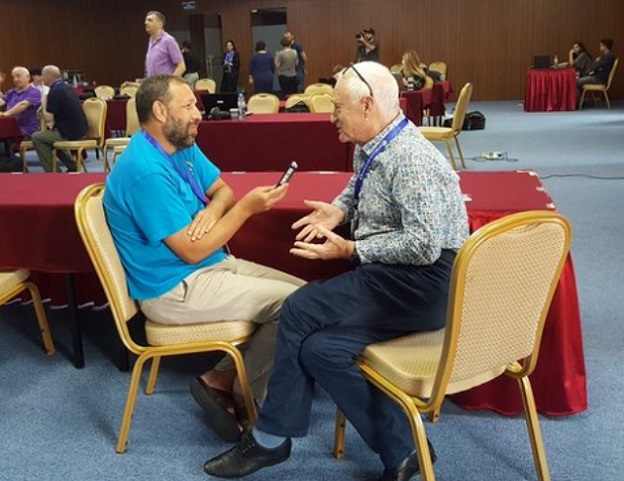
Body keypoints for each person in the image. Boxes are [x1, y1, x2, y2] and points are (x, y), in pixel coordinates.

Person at [203, 61, 469, 481]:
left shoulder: (411, 159)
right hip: (396, 274)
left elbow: (422, 246)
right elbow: (359, 184)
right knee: (319, 350)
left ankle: (270, 440)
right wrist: (340, 210)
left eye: (338, 108)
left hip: (423, 281)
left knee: (299, 307)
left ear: (367, 105)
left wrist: (351, 248)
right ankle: (404, 449)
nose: (331, 118)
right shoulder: (376, 140)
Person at [103, 74, 305, 442]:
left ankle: (220, 378)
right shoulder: (144, 170)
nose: (199, 113)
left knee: (310, 298)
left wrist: (213, 211)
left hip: (209, 265)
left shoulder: (180, 145)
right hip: (174, 287)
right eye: (188, 106)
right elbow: (192, 249)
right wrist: (244, 210)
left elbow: (222, 189)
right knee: (298, 307)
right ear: (160, 111)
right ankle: (244, 393)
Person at [31, 65, 87, 172]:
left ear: (48, 77)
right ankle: (73, 167)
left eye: (43, 75)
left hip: (69, 133)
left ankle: (53, 172)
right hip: (80, 130)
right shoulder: (67, 87)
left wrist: (44, 101)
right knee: (49, 138)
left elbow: (48, 119)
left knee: (37, 137)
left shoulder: (55, 91)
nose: (42, 78)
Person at [0, 66, 42, 139]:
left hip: (27, 129)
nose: (15, 79)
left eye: (18, 76)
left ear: (28, 77)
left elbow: (22, 105)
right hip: (11, 127)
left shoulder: (34, 92)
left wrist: (5, 114)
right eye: (13, 77)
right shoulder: (11, 92)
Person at [145, 11, 185, 78]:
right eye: (146, 20)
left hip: (165, 83)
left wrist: (170, 82)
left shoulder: (168, 40)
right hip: (152, 83)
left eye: (150, 20)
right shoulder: (151, 41)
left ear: (160, 24)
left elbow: (181, 66)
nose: (146, 23)